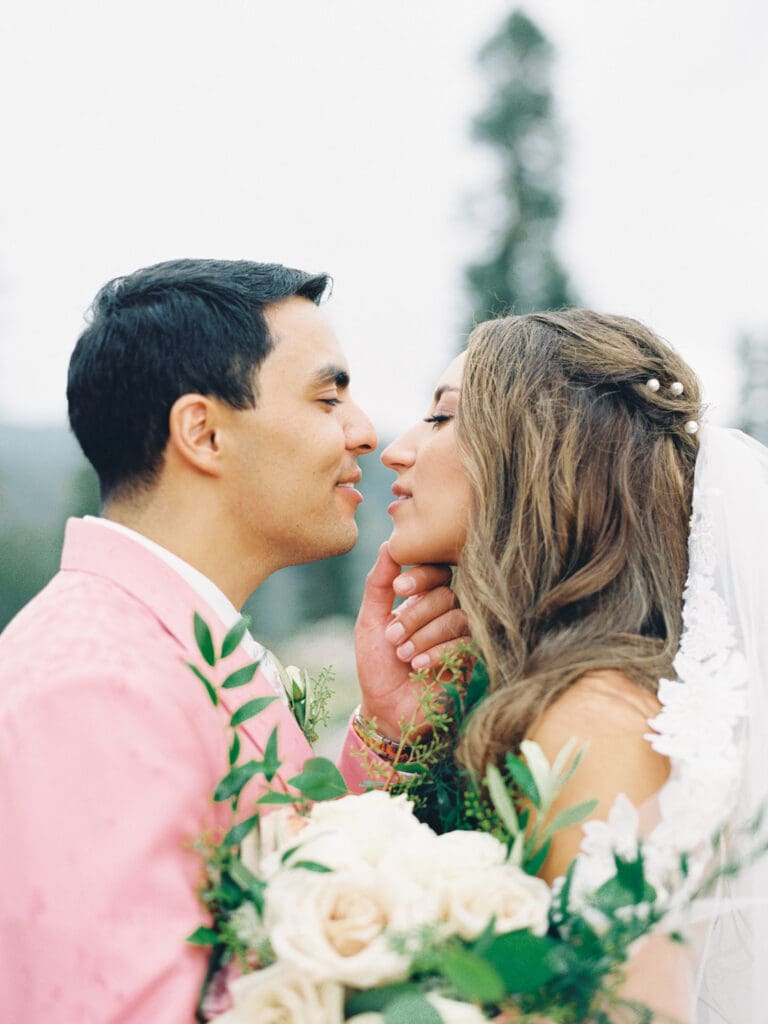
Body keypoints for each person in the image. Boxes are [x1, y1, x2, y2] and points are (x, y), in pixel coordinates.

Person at [0, 258, 465, 1023]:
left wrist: (386, 732)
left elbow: (267, 930)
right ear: (204, 432)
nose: (364, 432)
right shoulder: (93, 687)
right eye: (327, 397)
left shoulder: (167, 648)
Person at [365, 309, 768, 1022]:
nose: (396, 451)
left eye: (441, 418)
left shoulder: (593, 717)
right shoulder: (558, 695)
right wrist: (400, 722)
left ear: (537, 456)